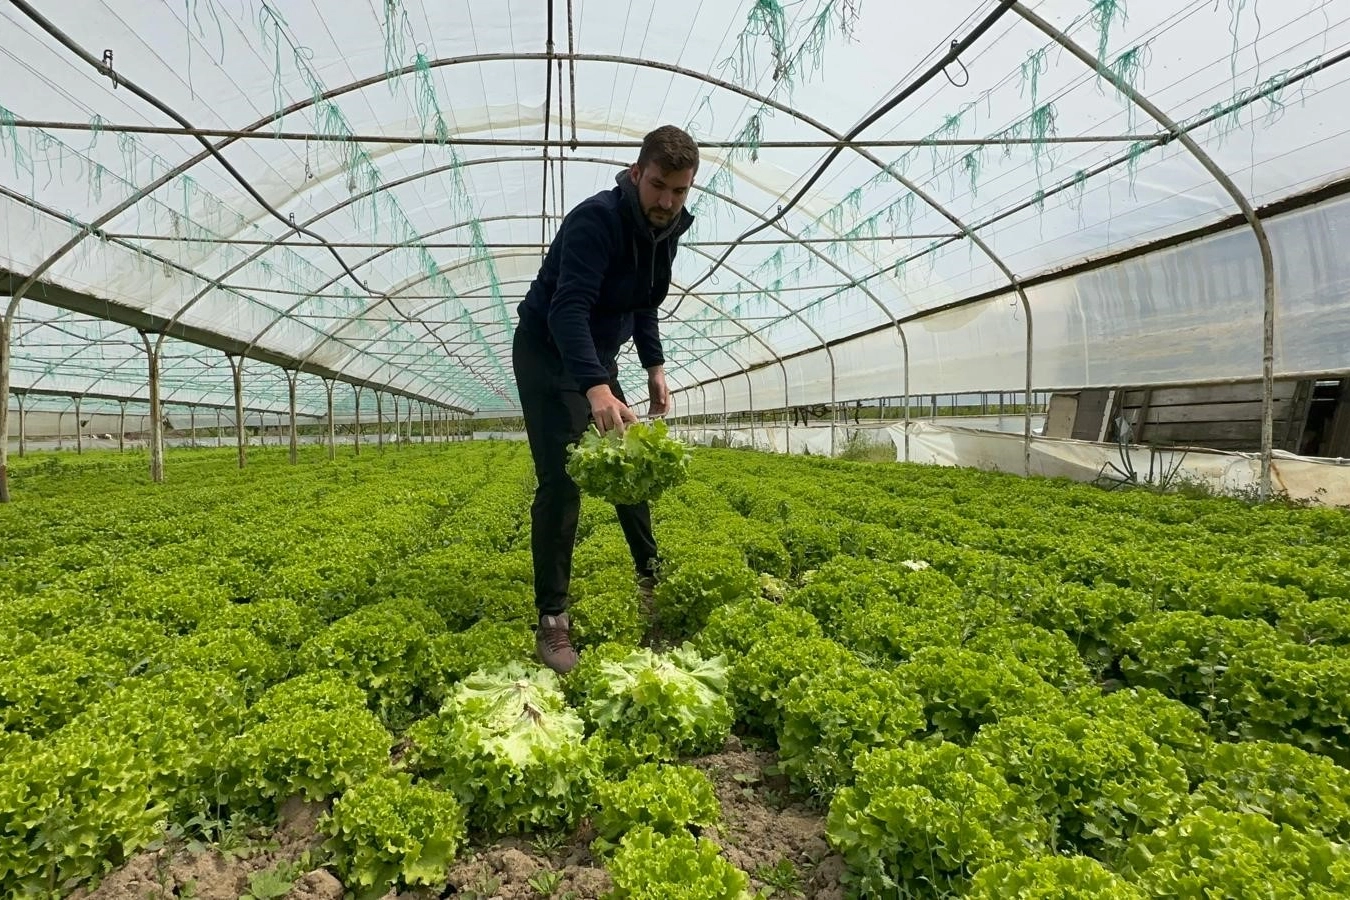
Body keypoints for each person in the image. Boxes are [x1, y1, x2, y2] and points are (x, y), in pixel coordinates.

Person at [512, 124, 699, 674]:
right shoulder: (595, 221)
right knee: (561, 479)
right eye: (659, 186)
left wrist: (654, 367)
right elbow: (567, 308)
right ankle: (552, 620)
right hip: (547, 349)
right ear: (636, 173)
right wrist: (596, 387)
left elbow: (645, 301)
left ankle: (649, 573)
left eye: (679, 191)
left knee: (630, 460)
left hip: (596, 353)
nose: (667, 201)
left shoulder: (667, 227)